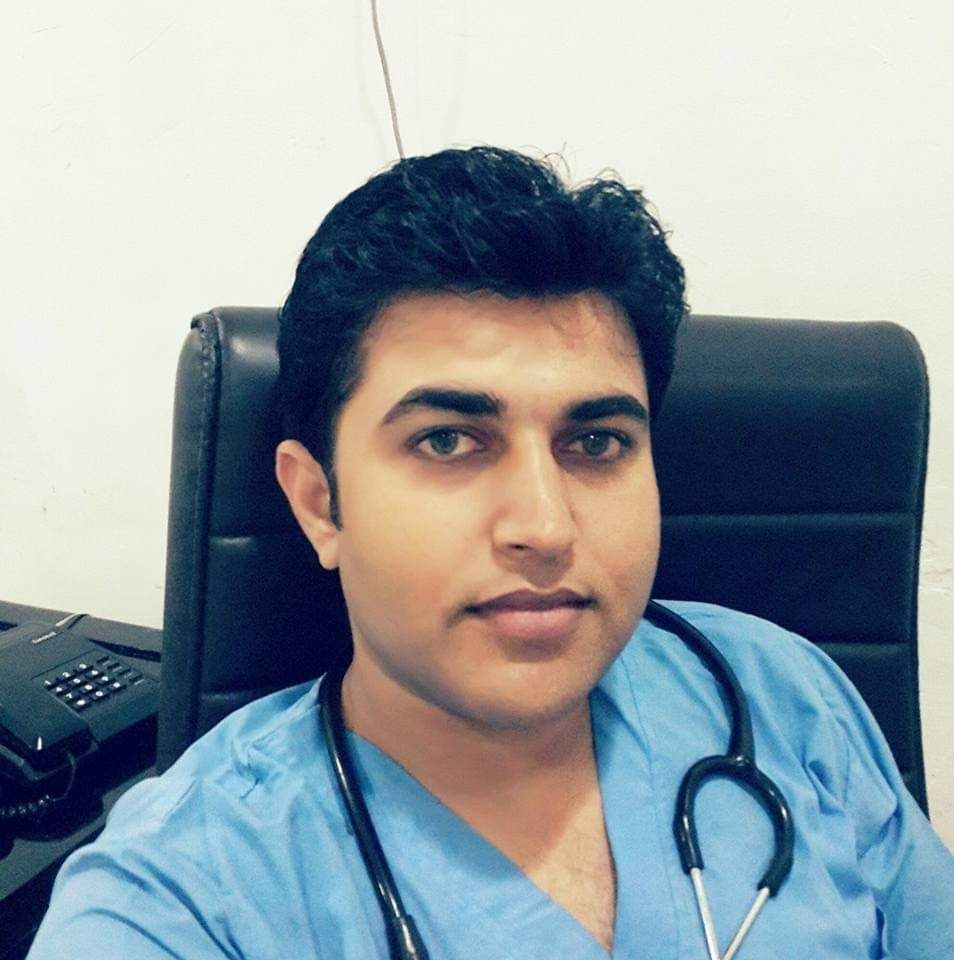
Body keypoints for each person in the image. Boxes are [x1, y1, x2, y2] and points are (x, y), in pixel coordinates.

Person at [27, 146, 954, 959]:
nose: (545, 528)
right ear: (319, 503)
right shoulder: (183, 897)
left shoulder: (779, 692)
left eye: (596, 442)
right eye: (447, 441)